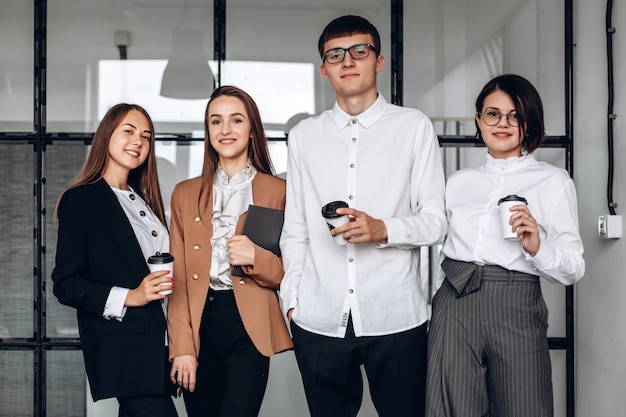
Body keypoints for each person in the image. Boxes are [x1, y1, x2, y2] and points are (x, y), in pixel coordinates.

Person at [280, 15, 447, 417]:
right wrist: (293, 303)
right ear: (324, 68)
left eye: (360, 50)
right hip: (318, 317)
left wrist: (382, 228)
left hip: (396, 314)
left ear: (379, 61)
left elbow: (436, 220)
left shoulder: (414, 127)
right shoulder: (304, 136)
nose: (348, 61)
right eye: (335, 54)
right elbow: (296, 229)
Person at [425, 73, 585, 417]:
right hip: (454, 301)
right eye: (493, 113)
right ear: (478, 120)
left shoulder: (553, 181)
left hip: (515, 301)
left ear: (530, 122)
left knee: (525, 405)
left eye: (515, 115)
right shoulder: (459, 182)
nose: (503, 123)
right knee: (452, 408)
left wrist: (537, 247)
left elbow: (574, 267)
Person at [167, 85, 293, 417]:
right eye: (215, 121)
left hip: (249, 324)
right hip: (199, 323)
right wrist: (182, 347)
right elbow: (176, 278)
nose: (226, 130)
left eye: (236, 120)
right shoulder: (184, 193)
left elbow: (297, 274)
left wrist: (258, 259)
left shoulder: (280, 192)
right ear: (208, 132)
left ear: (252, 129)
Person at [51, 103, 178, 417]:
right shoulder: (81, 199)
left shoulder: (145, 201)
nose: (138, 141)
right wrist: (131, 296)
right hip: (127, 349)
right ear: (106, 135)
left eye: (146, 136)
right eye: (129, 131)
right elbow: (66, 285)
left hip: (160, 345)